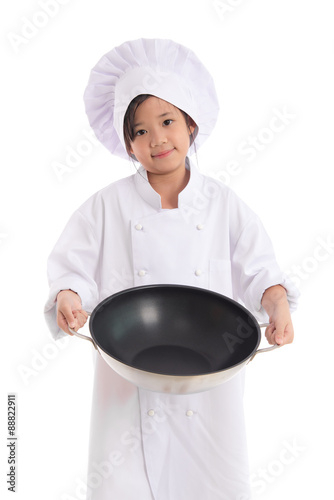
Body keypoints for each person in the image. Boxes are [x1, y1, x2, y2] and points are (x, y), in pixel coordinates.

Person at [44, 38, 299, 499]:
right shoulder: (107, 206)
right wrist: (68, 297)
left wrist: (277, 306)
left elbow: (263, 271)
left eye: (167, 122)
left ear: (191, 124)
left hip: (210, 384)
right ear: (127, 143)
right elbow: (72, 267)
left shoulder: (223, 204)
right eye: (140, 131)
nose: (157, 139)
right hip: (128, 376)